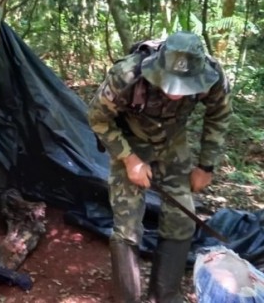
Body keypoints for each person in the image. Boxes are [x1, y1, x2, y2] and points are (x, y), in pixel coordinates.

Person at [87, 31, 232, 303]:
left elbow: (219, 115)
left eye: (184, 86)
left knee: (182, 216)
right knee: (127, 223)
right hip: (130, 139)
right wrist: (130, 160)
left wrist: (206, 165)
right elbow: (98, 119)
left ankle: (165, 294)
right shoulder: (127, 75)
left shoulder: (211, 76)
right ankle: (126, 297)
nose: (175, 93)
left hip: (173, 141)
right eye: (169, 84)